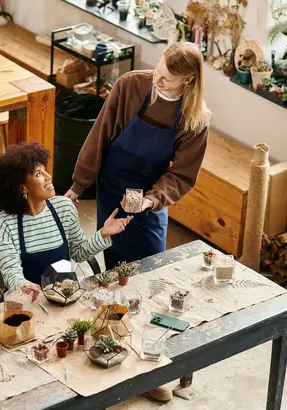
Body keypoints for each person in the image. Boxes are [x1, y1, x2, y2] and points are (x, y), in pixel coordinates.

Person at [0, 142, 132, 410]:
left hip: (70, 298)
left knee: (71, 360)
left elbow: (81, 253)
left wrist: (104, 234)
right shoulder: (6, 223)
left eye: (45, 168)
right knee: (38, 366)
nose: (48, 176)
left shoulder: (63, 210)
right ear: (22, 188)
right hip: (34, 305)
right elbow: (10, 270)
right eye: (39, 173)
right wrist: (26, 286)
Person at [65, 42, 210, 270]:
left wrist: (151, 200)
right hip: (111, 189)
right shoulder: (130, 85)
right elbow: (99, 137)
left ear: (188, 80)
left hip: (150, 199)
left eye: (166, 79)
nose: (157, 81)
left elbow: (182, 174)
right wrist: (78, 185)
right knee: (114, 265)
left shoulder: (195, 120)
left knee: (149, 267)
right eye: (157, 71)